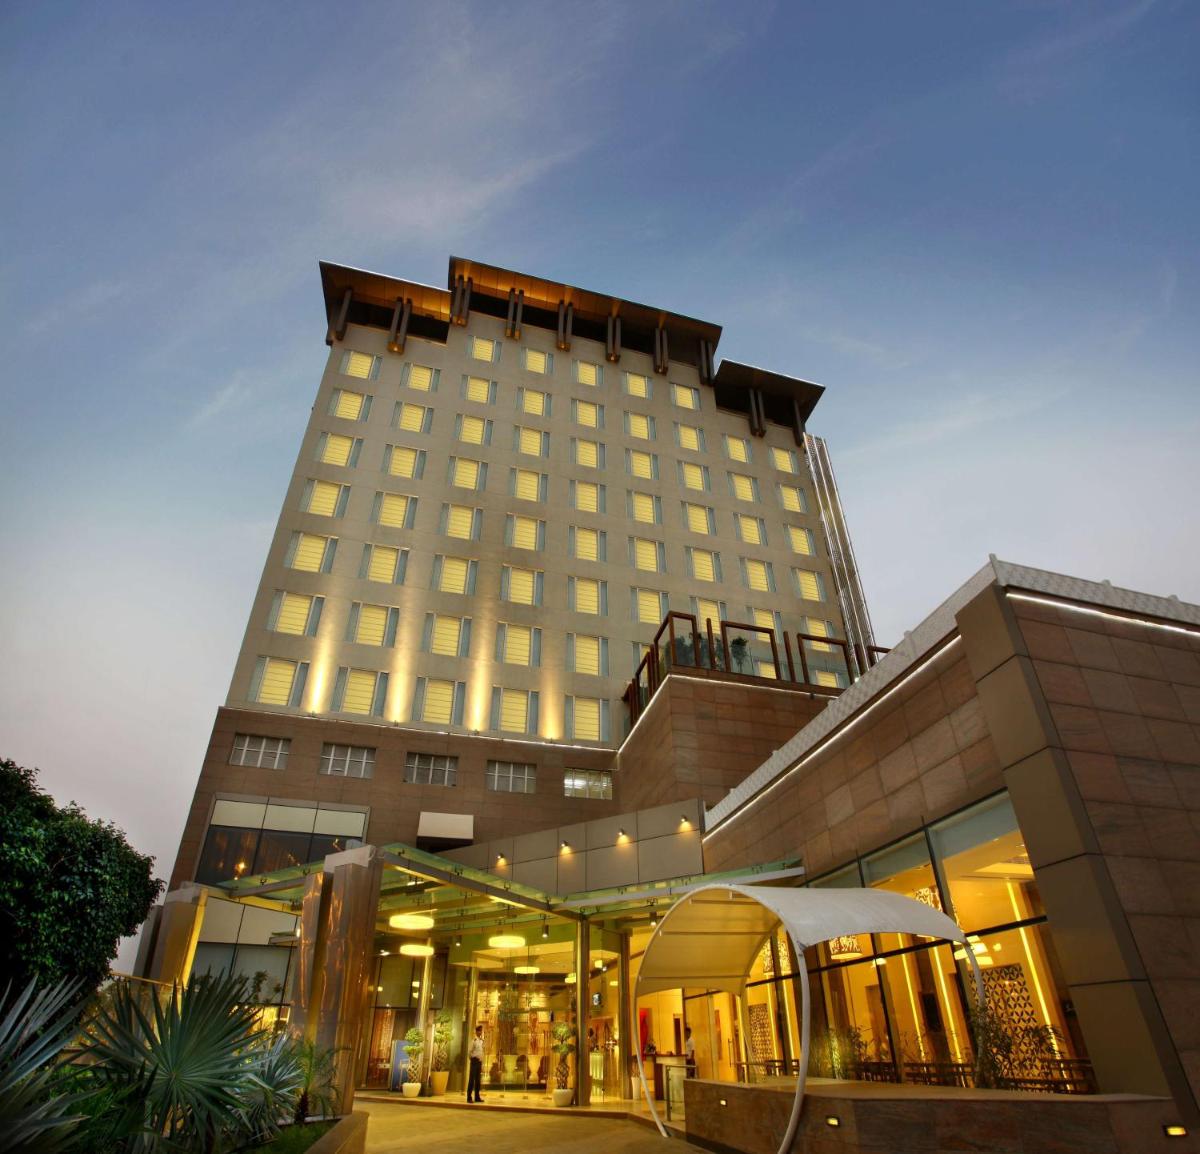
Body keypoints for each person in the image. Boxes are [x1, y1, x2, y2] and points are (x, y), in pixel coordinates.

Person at [467, 1024, 485, 1103]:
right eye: (479, 1031)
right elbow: (469, 1052)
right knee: (471, 1080)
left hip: (479, 1062)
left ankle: (477, 1097)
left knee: (478, 1080)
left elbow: (481, 1052)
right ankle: (469, 1097)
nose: (480, 1032)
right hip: (474, 1061)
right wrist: (473, 1058)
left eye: (481, 1031)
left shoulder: (481, 1041)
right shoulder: (473, 1040)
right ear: (476, 1031)